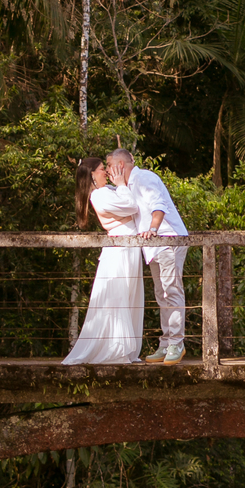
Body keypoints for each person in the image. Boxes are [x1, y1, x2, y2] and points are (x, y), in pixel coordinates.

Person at [106, 148, 189, 364]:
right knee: (161, 294)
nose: (107, 171)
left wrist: (153, 228)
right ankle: (165, 343)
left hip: (167, 239)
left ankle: (176, 344)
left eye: (108, 166)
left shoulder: (144, 177)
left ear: (120, 166)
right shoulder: (127, 186)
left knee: (172, 290)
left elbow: (158, 206)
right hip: (153, 247)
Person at [62, 156, 145, 365]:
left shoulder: (106, 192)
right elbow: (131, 206)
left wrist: (119, 186)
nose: (106, 172)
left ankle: (128, 349)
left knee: (130, 295)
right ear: (92, 175)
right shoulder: (99, 195)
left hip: (128, 247)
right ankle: (117, 349)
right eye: (102, 169)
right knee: (118, 297)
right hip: (120, 250)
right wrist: (120, 184)